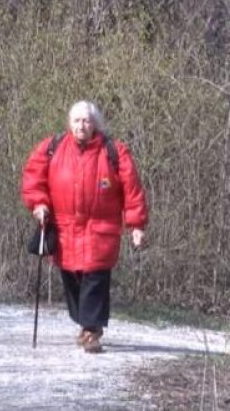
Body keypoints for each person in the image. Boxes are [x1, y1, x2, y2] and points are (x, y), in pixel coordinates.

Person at [21, 100, 148, 353]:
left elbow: (132, 189)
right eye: (77, 120)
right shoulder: (51, 148)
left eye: (87, 120)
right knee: (71, 278)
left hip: (100, 231)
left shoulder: (114, 151)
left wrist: (136, 224)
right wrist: (39, 204)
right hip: (64, 230)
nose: (82, 125)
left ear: (95, 124)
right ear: (70, 123)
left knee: (95, 278)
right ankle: (86, 323)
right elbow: (33, 179)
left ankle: (91, 331)